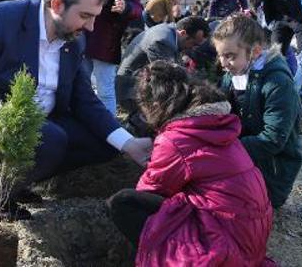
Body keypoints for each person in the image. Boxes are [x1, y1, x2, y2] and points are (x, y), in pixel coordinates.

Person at [0, 0, 153, 219]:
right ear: (58, 4)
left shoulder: (74, 38)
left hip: (45, 125)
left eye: (94, 17)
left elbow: (84, 99)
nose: (91, 27)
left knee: (104, 144)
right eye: (85, 16)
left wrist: (128, 143)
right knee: (51, 137)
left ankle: (20, 181)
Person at [107, 61, 273, 266]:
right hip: (249, 238)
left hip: (220, 245)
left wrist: (153, 159)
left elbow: (150, 189)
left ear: (154, 104)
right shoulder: (218, 121)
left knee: (123, 203)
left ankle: (150, 256)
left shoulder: (176, 138)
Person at [213, 14, 302, 208]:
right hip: (243, 157)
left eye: (229, 56)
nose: (222, 63)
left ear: (254, 52)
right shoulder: (234, 73)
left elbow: (272, 139)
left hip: (272, 171)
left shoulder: (277, 83)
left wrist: (223, 149)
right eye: (220, 55)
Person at [116, 16, 211, 135]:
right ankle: (133, 128)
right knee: (174, 96)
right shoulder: (162, 41)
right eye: (193, 44)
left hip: (135, 83)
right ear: (183, 33)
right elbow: (170, 76)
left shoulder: (170, 32)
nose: (193, 48)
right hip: (129, 91)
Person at [79, 0, 143, 115]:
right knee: (83, 85)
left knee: (105, 88)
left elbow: (137, 7)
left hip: (104, 40)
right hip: (82, 37)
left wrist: (126, 7)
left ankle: (109, 127)